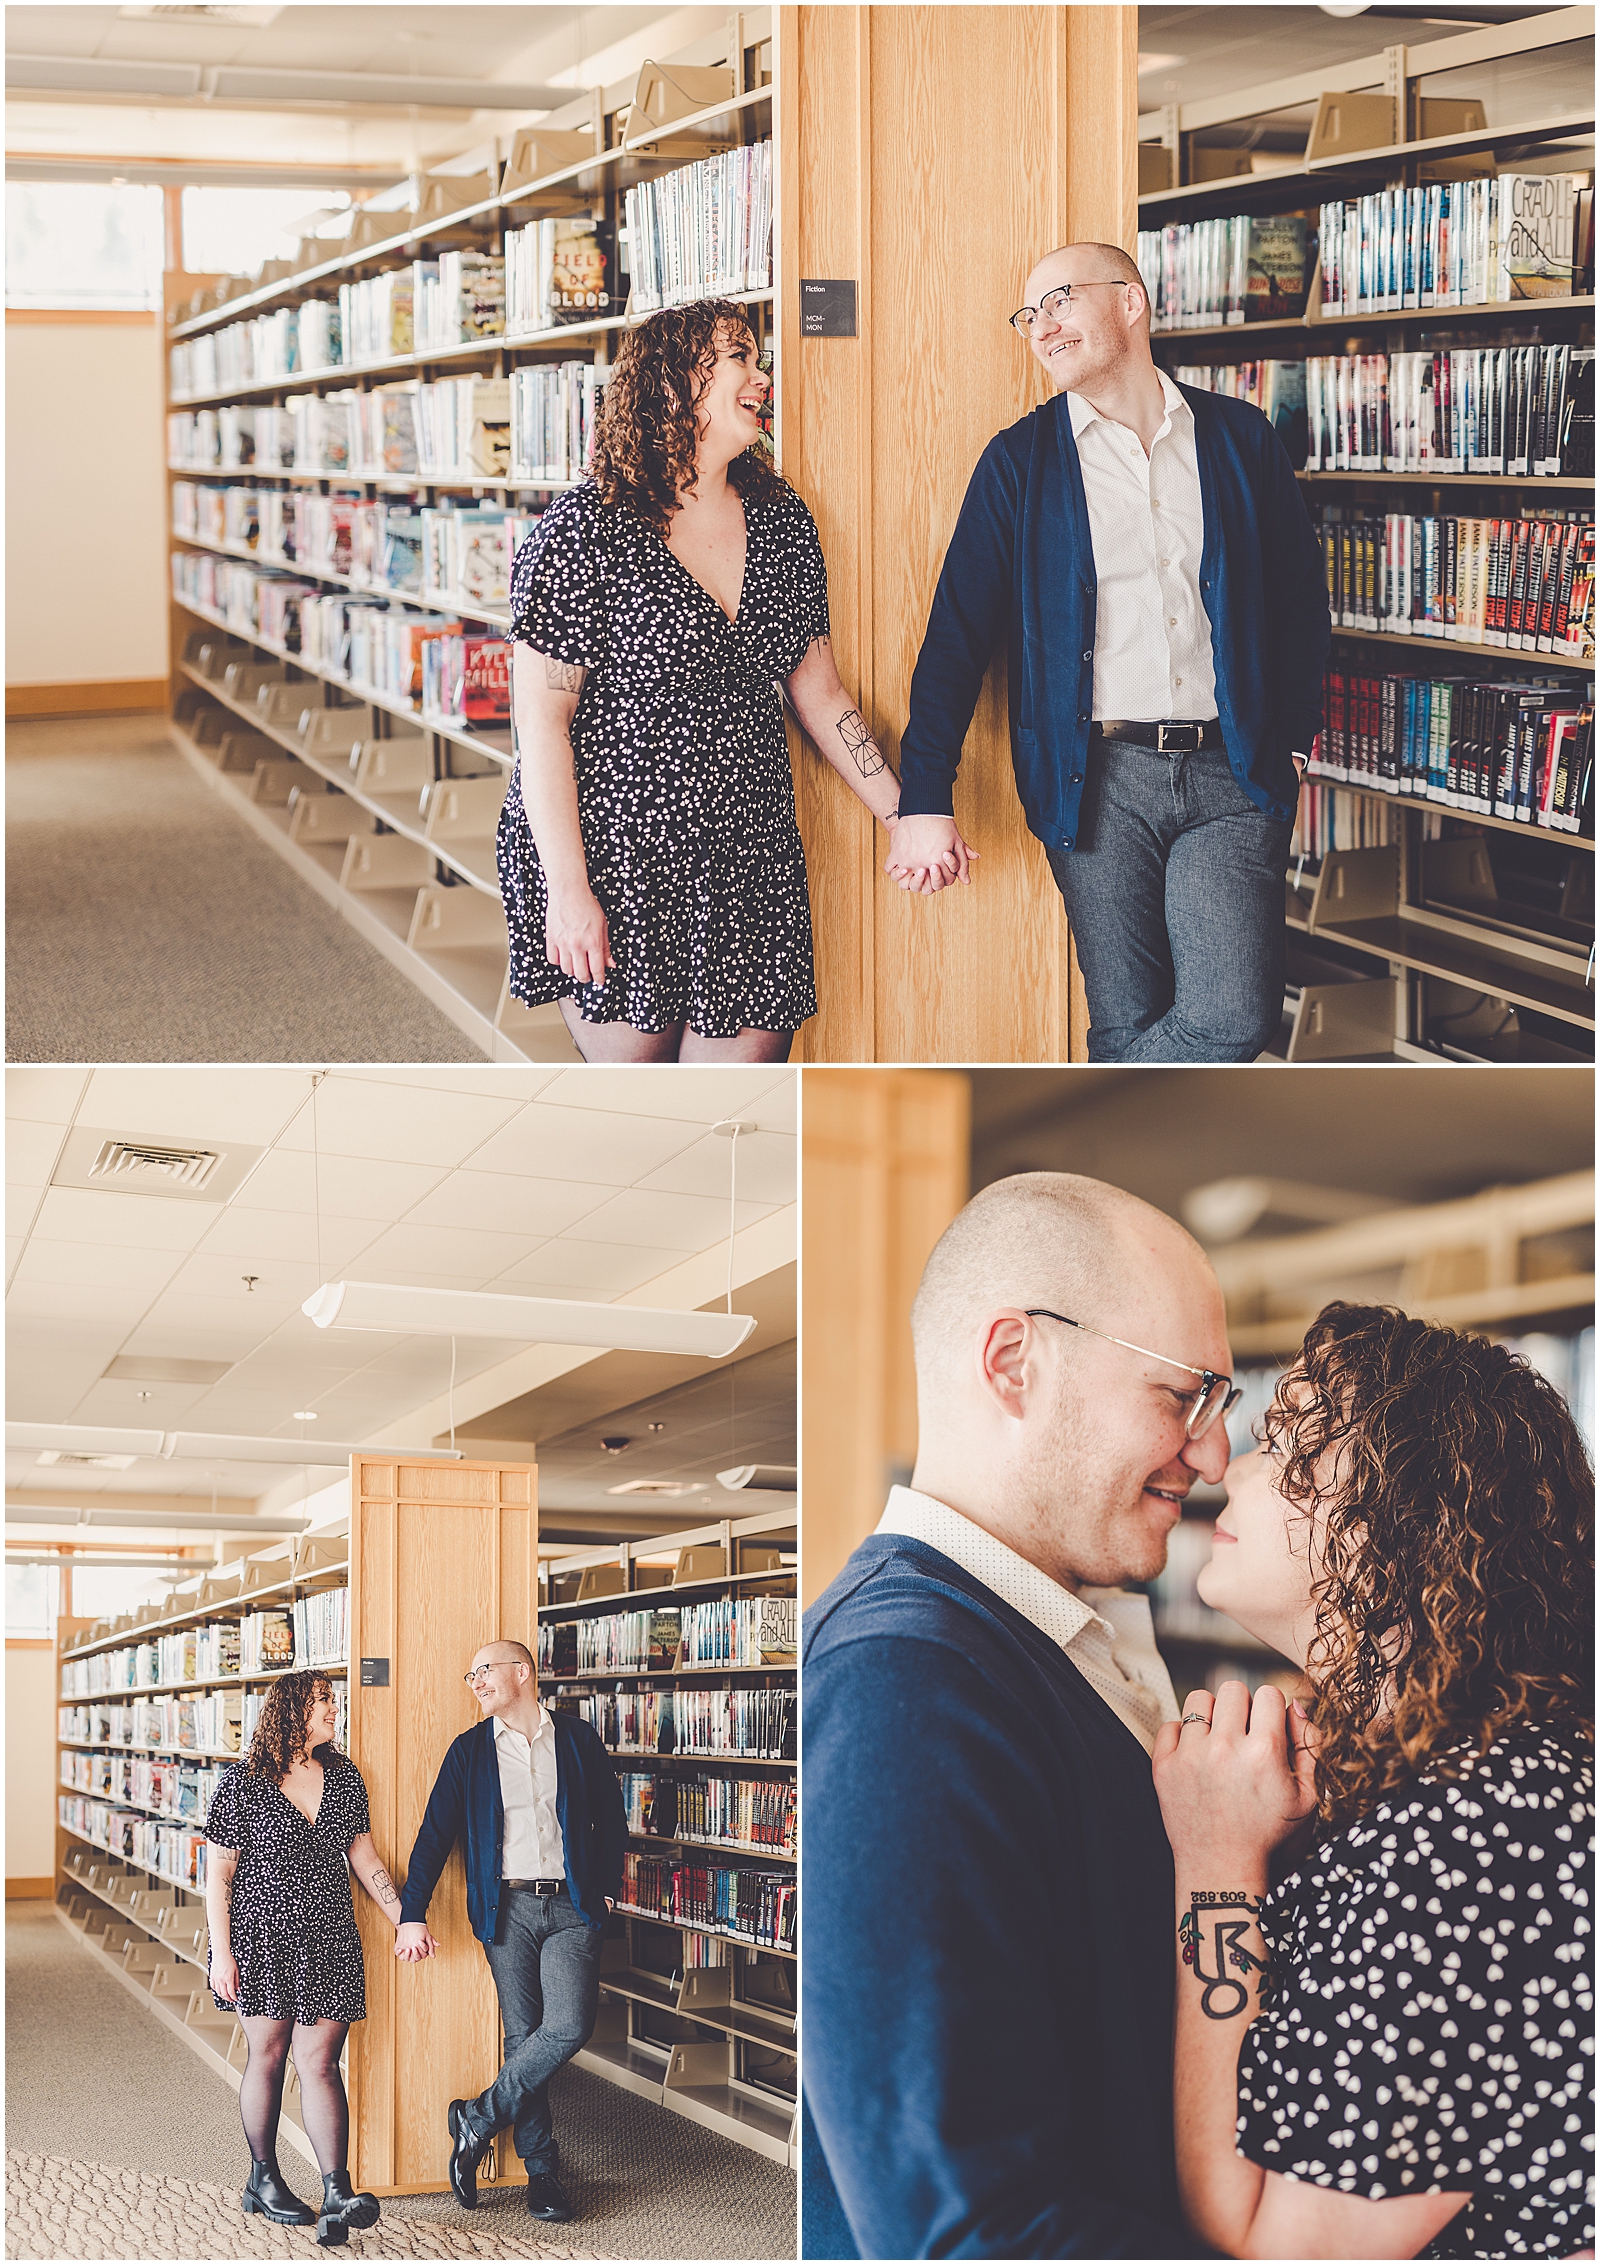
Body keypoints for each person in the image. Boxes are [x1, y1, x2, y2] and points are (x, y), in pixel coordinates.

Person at [802, 1170, 1241, 2257]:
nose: (1214, 1452)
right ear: (1013, 1362)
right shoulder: (907, 1678)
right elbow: (967, 2230)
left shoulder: (1050, 1631)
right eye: (1181, 1395)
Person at [1153, 1302, 1594, 2261]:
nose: (1230, 1466)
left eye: (1293, 1448)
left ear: (1401, 1525)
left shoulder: (1480, 1830)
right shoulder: (1467, 1778)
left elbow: (1276, 2241)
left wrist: (1217, 1858)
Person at [887, 241, 1331, 1063]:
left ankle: (1099, 1127)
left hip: (1231, 772)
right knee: (1125, 1021)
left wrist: (1295, 739)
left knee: (1233, 1019)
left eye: (1060, 301)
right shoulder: (1019, 461)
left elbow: (1303, 599)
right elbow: (957, 636)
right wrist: (923, 799)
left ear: (1130, 302)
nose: (1041, 327)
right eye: (1029, 315)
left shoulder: (1238, 438)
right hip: (1095, 782)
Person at [496, 298, 905, 1063]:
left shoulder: (782, 521)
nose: (762, 375)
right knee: (648, 1121)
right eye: (741, 358)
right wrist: (568, 890)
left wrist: (904, 814)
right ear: (676, 382)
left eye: (758, 358)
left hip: (748, 861)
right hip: (621, 862)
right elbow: (543, 725)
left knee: (741, 1111)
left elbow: (819, 690)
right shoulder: (583, 531)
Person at [395, 1639, 626, 2224]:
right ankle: (542, 2173)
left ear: (521, 1673)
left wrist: (604, 1889)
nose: (474, 1682)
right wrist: (411, 1913)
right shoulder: (470, 1751)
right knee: (524, 2038)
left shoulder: (576, 1739)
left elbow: (610, 1818)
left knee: (569, 2025)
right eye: (469, 1674)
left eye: (484, 1671)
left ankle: (476, 2117)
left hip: (571, 1906)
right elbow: (433, 1836)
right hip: (507, 1910)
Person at [204, 1670, 404, 2245]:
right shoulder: (242, 1782)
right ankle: (263, 2178)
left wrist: (403, 1919)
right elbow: (217, 1877)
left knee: (320, 2062)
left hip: (331, 1938)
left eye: (334, 1702)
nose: (333, 1711)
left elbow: (364, 1857)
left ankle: (336, 2190)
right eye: (323, 1702)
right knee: (266, 2055)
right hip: (261, 1939)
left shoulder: (342, 1775)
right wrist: (222, 1954)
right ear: (291, 1709)